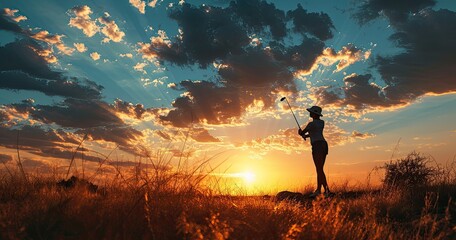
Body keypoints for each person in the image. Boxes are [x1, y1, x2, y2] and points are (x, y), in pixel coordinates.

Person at [298, 106, 331, 197]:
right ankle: (318, 190)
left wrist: (300, 133)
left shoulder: (311, 124)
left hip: (317, 146)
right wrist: (306, 136)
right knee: (319, 169)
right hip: (324, 145)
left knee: (319, 169)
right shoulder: (321, 122)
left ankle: (327, 191)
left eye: (311, 112)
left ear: (314, 114)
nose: (310, 113)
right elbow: (314, 133)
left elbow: (303, 133)